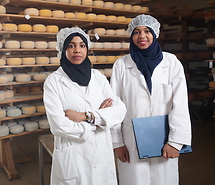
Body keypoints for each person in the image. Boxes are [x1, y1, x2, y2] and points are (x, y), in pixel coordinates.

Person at [110, 14, 192, 185]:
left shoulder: (171, 63)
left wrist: (176, 141)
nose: (142, 36)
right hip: (131, 140)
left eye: (147, 31)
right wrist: (117, 142)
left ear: (155, 34)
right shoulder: (121, 65)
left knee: (163, 179)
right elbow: (114, 106)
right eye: (136, 32)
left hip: (164, 139)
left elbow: (180, 103)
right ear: (131, 36)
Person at [43, 27, 127, 185]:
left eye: (82, 45)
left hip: (101, 151)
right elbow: (59, 126)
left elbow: (120, 110)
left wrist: (86, 117)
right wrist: (98, 122)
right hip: (74, 156)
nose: (77, 50)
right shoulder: (53, 82)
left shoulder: (98, 78)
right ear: (63, 49)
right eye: (71, 45)